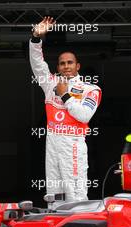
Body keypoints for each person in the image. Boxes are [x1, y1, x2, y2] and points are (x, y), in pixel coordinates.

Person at [30, 17, 102, 202]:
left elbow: (84, 116)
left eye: (70, 62)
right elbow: (38, 65)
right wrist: (36, 39)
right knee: (55, 195)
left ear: (77, 66)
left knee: (75, 195)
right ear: (58, 67)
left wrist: (65, 95)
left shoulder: (90, 89)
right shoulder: (50, 83)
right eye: (62, 63)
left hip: (73, 144)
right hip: (53, 142)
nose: (66, 66)